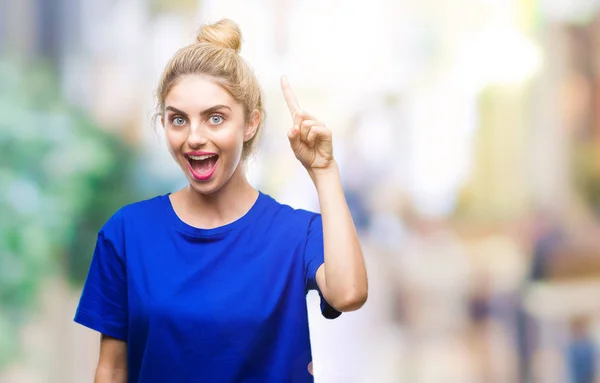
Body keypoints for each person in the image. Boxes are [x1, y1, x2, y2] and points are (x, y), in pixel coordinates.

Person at [73, 18, 368, 383]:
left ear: (250, 124)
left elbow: (349, 294)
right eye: (178, 120)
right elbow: (112, 368)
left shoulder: (296, 233)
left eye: (215, 118)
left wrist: (324, 169)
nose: (194, 137)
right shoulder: (127, 233)